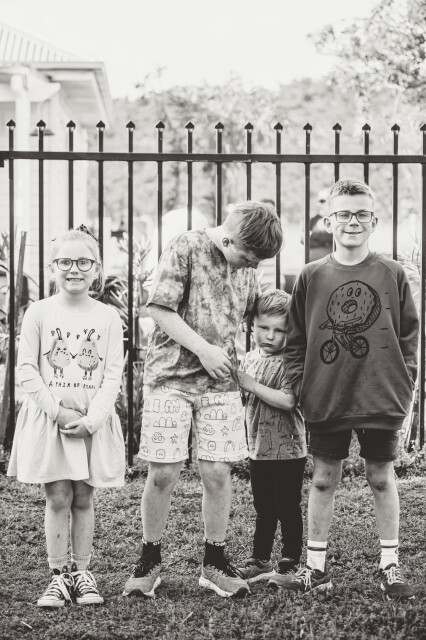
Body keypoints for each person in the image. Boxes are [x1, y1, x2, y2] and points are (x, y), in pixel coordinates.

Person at [123, 201, 283, 599]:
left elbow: (258, 312)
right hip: (170, 379)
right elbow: (159, 308)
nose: (252, 266)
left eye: (257, 262)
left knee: (217, 473)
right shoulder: (186, 246)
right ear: (228, 240)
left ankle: (214, 563)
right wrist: (204, 350)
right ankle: (149, 561)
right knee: (163, 473)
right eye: (249, 257)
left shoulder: (248, 267)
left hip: (220, 385)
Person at [283, 178, 419, 598]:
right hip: (327, 396)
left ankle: (390, 565)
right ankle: (315, 567)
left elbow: (410, 336)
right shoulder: (311, 276)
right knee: (324, 479)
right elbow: (295, 340)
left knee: (381, 477)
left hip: (381, 395)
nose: (353, 221)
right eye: (343, 214)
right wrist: (302, 386)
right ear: (328, 221)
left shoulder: (392, 273)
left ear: (374, 221)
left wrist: (404, 384)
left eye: (362, 214)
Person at [7, 226, 125, 607]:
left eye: (84, 262)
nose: (74, 269)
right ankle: (58, 577)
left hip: (91, 423)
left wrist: (92, 420)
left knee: (83, 496)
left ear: (97, 269)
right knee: (58, 496)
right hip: (51, 421)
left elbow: (112, 375)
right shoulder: (39, 313)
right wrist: (57, 412)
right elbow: (27, 370)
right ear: (52, 267)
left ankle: (82, 574)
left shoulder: (108, 317)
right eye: (65, 261)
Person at [235, 289, 307, 587]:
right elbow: (244, 398)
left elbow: (289, 400)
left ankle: (290, 562)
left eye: (280, 330)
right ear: (251, 325)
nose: (270, 336)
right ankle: (260, 560)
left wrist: (251, 385)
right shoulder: (249, 358)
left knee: (287, 507)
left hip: (288, 450)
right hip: (258, 449)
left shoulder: (291, 360)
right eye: (263, 327)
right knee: (263, 509)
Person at [301, 188, 333, 262]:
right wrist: (325, 242)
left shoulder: (337, 219)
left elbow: (333, 238)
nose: (318, 204)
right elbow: (303, 239)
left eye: (322, 201)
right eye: (318, 201)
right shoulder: (314, 219)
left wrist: (312, 235)